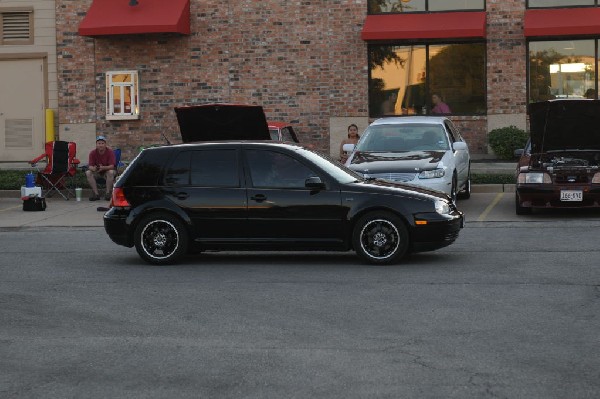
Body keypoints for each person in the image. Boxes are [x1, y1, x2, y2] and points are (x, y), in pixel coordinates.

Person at [86, 135, 116, 201]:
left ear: (105, 144)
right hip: (97, 172)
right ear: (96, 144)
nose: (101, 145)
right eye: (99, 143)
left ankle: (108, 193)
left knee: (111, 172)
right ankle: (96, 194)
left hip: (107, 172)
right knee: (88, 172)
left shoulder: (110, 152)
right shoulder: (92, 153)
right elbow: (90, 166)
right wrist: (93, 169)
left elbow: (112, 166)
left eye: (102, 143)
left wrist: (103, 168)